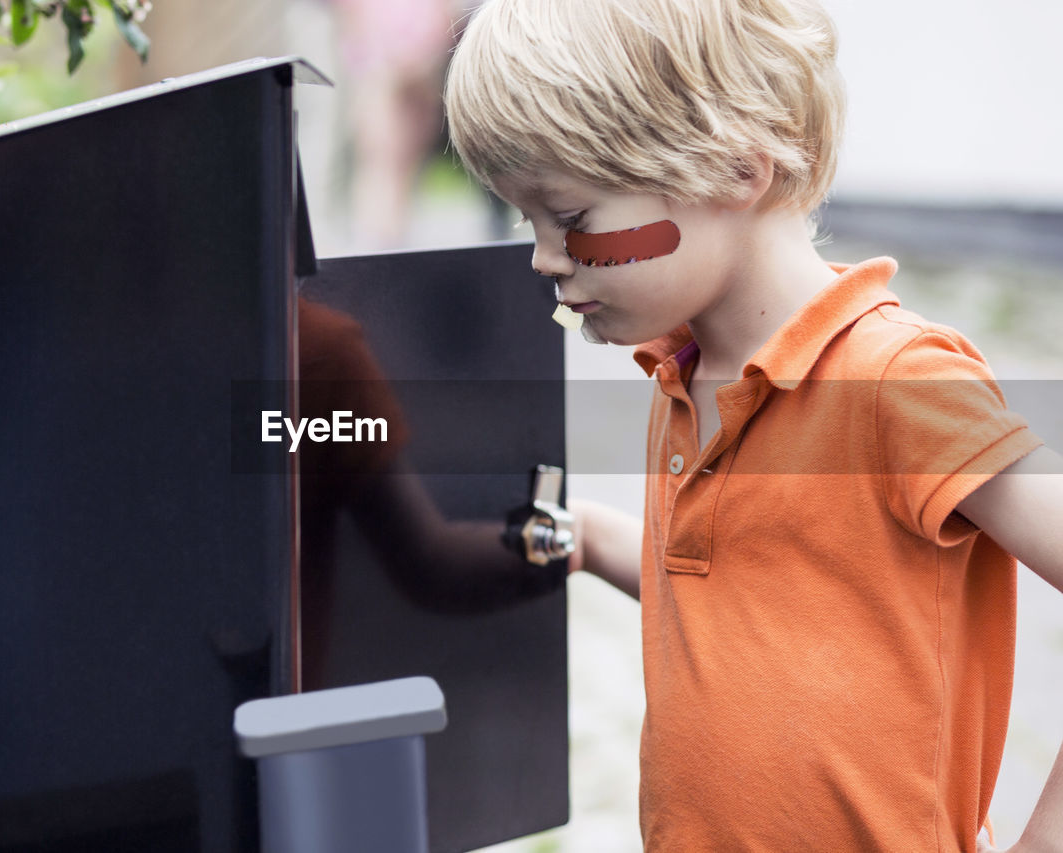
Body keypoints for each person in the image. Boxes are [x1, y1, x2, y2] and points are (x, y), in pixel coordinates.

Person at [443, 0, 1063, 850]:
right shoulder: (680, 376)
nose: (545, 258)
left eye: (573, 218)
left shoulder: (897, 384)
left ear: (737, 167)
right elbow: (738, 591)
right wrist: (582, 536)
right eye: (529, 221)